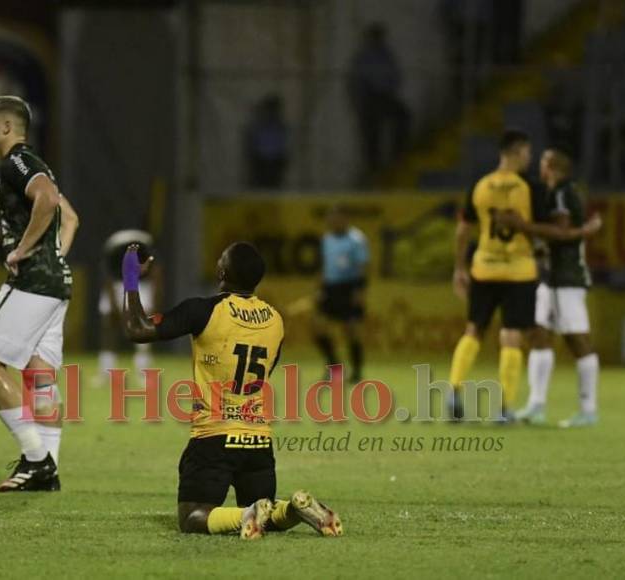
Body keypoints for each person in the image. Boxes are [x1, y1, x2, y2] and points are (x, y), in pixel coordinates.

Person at [121, 242, 343, 539]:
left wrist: (130, 276)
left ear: (222, 272)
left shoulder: (204, 310)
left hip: (214, 437)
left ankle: (246, 515)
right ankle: (292, 509)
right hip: (258, 441)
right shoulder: (275, 319)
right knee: (265, 511)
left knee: (192, 516)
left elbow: (137, 329)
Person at [0, 95, 79, 492]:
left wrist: (24, 250)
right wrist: (53, 258)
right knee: (39, 376)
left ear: (6, 127)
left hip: (33, 282)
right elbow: (71, 218)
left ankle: (37, 461)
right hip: (56, 283)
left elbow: (47, 201)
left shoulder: (17, 161)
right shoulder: (36, 164)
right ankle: (48, 469)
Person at [496, 150, 602, 427]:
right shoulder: (555, 192)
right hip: (549, 277)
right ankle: (536, 405)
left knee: (577, 340)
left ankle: (588, 409)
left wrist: (523, 226)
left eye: (543, 163)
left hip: (566, 278)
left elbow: (561, 232)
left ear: (552, 167)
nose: (539, 167)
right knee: (538, 334)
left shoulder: (564, 192)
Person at [448, 129, 543, 420]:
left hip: (484, 267)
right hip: (519, 271)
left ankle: (454, 391)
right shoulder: (530, 188)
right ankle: (504, 408)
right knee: (512, 335)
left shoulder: (481, 185)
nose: (529, 157)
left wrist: (460, 267)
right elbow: (537, 229)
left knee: (474, 330)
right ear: (517, 151)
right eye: (527, 152)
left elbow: (463, 231)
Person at [313, 205, 370, 383]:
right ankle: (334, 367)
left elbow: (363, 267)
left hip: (349, 287)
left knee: (350, 330)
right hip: (330, 288)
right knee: (318, 328)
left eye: (336, 218)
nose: (333, 221)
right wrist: (319, 289)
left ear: (345, 218)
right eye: (331, 218)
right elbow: (324, 266)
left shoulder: (357, 239)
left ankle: (357, 371)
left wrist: (360, 291)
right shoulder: (326, 239)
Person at [347, 22, 410, 179]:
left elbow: (395, 77)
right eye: (375, 37)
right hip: (369, 98)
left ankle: (396, 156)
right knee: (371, 134)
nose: (378, 40)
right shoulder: (364, 57)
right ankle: (374, 168)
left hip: (384, 96)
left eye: (379, 37)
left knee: (402, 117)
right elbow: (356, 81)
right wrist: (359, 101)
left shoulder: (386, 55)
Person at [97, 229, 161, 383]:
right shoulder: (113, 250)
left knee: (143, 327)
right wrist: (115, 307)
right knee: (109, 325)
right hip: (117, 283)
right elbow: (108, 279)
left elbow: (157, 274)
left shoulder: (147, 248)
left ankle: (144, 372)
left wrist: (155, 301)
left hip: (141, 285)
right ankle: (106, 370)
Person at [244, 94, 289, 189]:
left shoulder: (280, 126)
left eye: (273, 110)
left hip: (275, 161)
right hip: (261, 161)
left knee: (274, 185)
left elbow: (283, 144)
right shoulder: (259, 125)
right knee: (261, 185)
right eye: (269, 109)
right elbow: (254, 143)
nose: (271, 113)